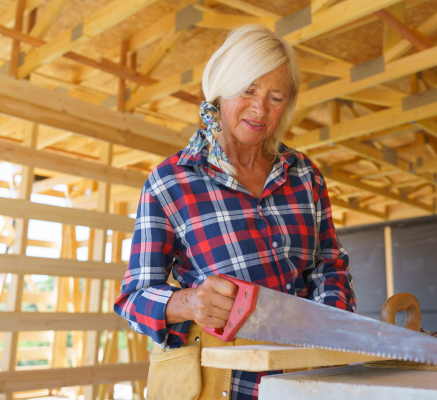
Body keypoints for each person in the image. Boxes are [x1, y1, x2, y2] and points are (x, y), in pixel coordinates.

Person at [114, 24, 356, 400]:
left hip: (306, 381)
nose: (260, 109)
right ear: (221, 89)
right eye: (248, 91)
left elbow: (327, 265)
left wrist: (329, 320)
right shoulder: (170, 181)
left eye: (276, 97)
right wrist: (191, 303)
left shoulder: (304, 174)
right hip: (223, 386)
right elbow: (134, 299)